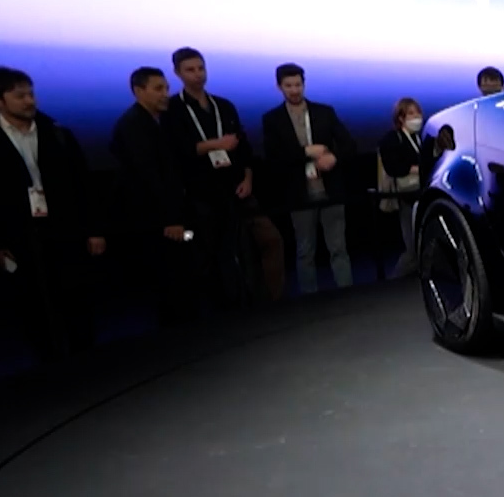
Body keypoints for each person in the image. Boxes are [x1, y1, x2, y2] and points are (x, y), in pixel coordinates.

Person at [0, 66, 104, 360]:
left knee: (77, 302)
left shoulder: (58, 133)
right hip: (18, 236)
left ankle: (88, 365)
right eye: (20, 96)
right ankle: (50, 366)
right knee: (33, 307)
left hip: (64, 230)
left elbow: (83, 185)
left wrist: (94, 229)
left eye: (31, 93)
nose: (29, 101)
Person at [165, 48, 283, 305]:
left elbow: (243, 148)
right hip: (202, 195)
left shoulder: (224, 105)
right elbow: (179, 150)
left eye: (201, 68)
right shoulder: (173, 109)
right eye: (190, 70)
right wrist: (216, 144)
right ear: (177, 73)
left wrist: (248, 178)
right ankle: (225, 310)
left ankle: (272, 301)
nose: (198, 74)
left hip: (238, 187)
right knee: (214, 254)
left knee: (269, 239)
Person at [109, 67, 198, 325]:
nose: (165, 94)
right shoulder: (134, 126)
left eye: (166, 88)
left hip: (168, 215)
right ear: (139, 91)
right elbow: (148, 176)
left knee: (180, 277)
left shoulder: (156, 122)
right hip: (156, 221)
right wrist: (170, 218)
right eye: (158, 89)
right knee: (169, 280)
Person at [261, 63, 355, 294]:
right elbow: (274, 157)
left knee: (338, 248)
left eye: (298, 85)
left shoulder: (324, 112)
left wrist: (333, 157)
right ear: (279, 87)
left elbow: (349, 144)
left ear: (304, 84)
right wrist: (305, 152)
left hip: (330, 189)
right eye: (289, 86)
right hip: (299, 193)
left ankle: (348, 295)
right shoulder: (272, 119)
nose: (294, 90)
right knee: (305, 251)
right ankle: (309, 301)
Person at [377, 97, 432, 279]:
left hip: (422, 194)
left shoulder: (420, 138)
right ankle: (394, 282)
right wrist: (414, 168)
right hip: (406, 196)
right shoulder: (392, 139)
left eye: (418, 113)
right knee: (412, 247)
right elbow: (393, 167)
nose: (416, 118)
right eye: (411, 114)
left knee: (424, 243)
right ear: (400, 118)